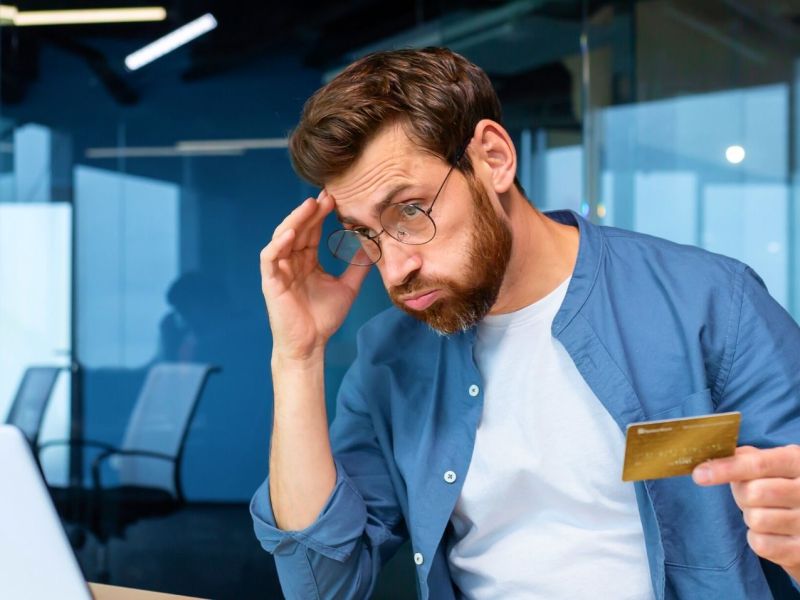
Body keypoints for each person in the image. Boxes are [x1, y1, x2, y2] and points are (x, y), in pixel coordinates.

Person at [250, 47, 800, 599]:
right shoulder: (389, 360)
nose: (395, 269)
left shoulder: (712, 304)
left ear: (493, 157)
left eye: (411, 211)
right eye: (366, 233)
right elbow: (321, 585)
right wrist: (297, 356)